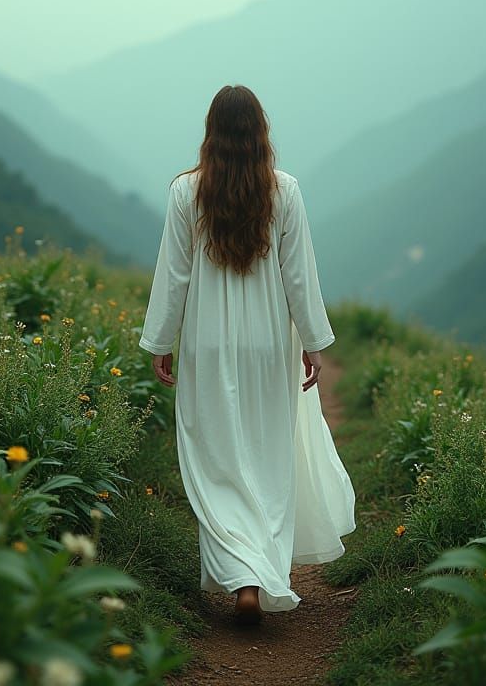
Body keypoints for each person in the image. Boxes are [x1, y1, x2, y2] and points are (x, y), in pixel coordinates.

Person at [138, 84, 356, 625]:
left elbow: (173, 276)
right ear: (260, 132)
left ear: (211, 133)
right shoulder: (285, 192)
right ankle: (261, 573)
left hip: (207, 345)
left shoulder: (186, 194)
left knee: (216, 459)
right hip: (266, 345)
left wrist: (160, 343)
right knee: (267, 457)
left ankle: (240, 574)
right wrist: (311, 341)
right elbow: (299, 276)